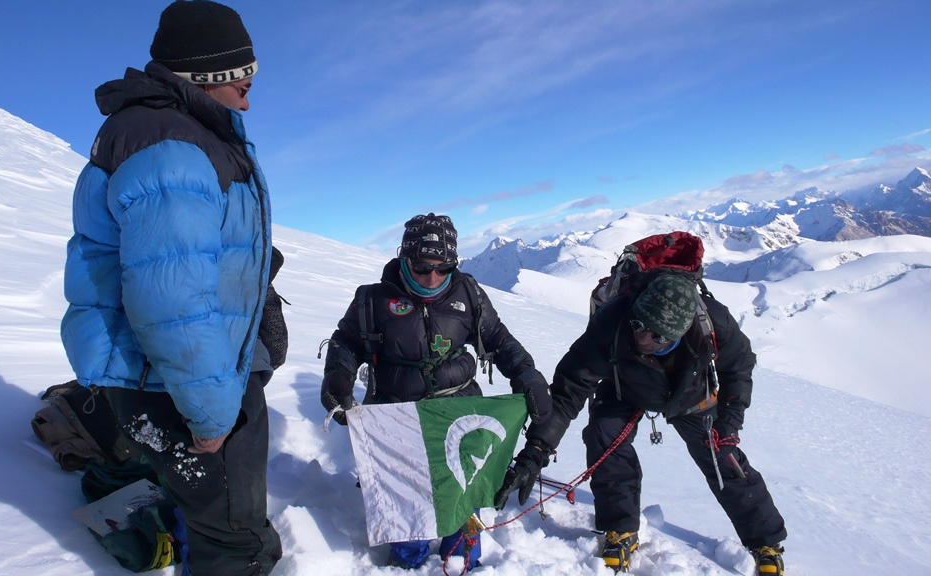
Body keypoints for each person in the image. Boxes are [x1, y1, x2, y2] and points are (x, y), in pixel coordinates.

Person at [59, 2, 281, 574]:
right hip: (181, 387)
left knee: (208, 508)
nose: (248, 100)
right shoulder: (173, 150)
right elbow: (173, 302)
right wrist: (210, 416)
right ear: (209, 79)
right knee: (236, 540)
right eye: (243, 83)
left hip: (158, 377)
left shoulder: (158, 133)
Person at [495, 274, 787, 575]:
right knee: (604, 436)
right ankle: (619, 528)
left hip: (691, 395)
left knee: (722, 455)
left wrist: (730, 420)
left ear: (681, 331)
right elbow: (568, 390)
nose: (643, 339)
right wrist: (536, 451)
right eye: (639, 326)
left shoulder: (712, 322)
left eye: (658, 336)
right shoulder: (612, 324)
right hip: (624, 386)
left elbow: (739, 366)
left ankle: (766, 541)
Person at [321, 213, 552, 570]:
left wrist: (527, 373)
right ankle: (408, 563)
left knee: (460, 499)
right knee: (406, 507)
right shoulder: (372, 301)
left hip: (459, 413)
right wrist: (338, 375)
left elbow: (498, 339)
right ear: (404, 258)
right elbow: (346, 342)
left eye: (444, 267)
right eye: (422, 266)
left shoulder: (469, 292)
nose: (433, 277)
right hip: (399, 419)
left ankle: (460, 562)